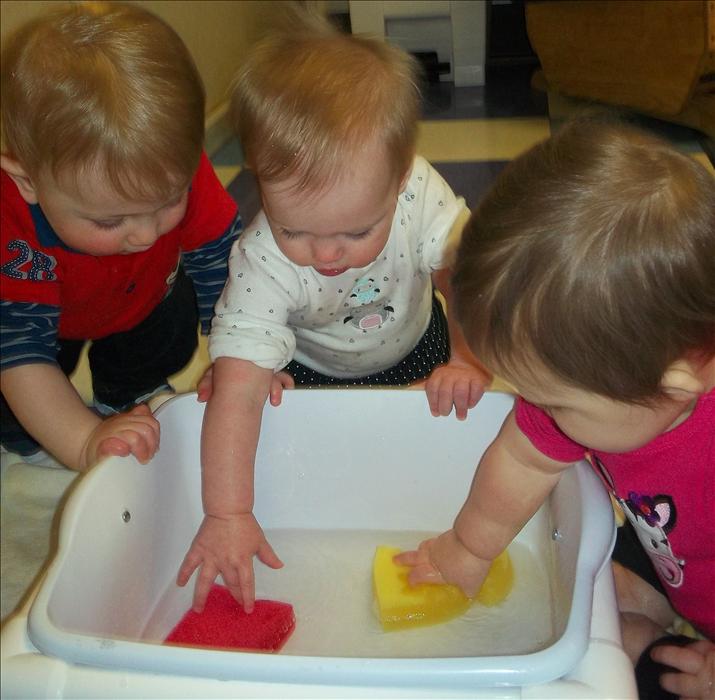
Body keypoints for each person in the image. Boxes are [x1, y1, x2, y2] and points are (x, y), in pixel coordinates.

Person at [177, 13, 490, 614]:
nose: (324, 255)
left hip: (419, 345)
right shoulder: (262, 260)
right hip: (311, 368)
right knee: (317, 468)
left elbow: (468, 276)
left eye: (354, 231)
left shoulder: (416, 191)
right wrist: (228, 513)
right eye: (294, 228)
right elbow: (238, 398)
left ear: (399, 182)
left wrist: (468, 356)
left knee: (421, 467)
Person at [396, 117, 714, 699]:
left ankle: (647, 636)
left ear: (679, 382)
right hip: (671, 549)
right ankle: (650, 608)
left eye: (554, 402)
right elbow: (522, 460)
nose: (535, 413)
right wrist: (468, 548)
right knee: (584, 574)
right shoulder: (617, 379)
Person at [0, 2, 241, 472]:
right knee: (16, 412)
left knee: (174, 321)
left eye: (169, 201)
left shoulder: (176, 169)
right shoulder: (13, 225)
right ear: (27, 181)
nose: (147, 234)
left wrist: (239, 360)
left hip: (143, 302)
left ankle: (126, 390)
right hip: (41, 321)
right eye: (111, 222)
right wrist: (84, 439)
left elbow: (224, 268)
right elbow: (20, 352)